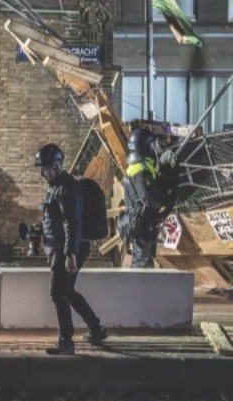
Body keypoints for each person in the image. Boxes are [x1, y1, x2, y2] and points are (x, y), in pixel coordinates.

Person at [36, 143, 107, 355]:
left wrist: (70, 254)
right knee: (67, 291)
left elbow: (72, 223)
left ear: (57, 166)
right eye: (40, 168)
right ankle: (96, 329)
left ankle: (66, 341)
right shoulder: (56, 186)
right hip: (65, 247)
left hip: (68, 249)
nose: (41, 173)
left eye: (45, 168)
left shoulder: (67, 189)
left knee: (57, 293)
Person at [120, 128, 177, 269]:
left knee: (143, 265)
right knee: (143, 267)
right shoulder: (140, 170)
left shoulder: (136, 167)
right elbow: (149, 198)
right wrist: (167, 197)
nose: (155, 148)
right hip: (142, 230)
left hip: (141, 227)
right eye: (152, 144)